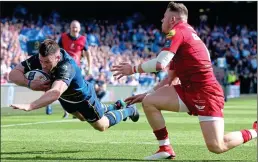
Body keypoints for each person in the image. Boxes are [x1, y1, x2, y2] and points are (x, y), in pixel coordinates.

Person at [111, 2, 257, 160]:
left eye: (164, 17)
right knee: (149, 101)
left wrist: (132, 69)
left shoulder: (178, 32)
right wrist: (146, 94)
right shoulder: (186, 35)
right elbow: (170, 78)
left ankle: (255, 131)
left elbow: (160, 64)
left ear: (172, 19)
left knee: (217, 146)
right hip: (188, 90)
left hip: (206, 93)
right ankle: (165, 148)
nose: (161, 20)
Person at [9, 39, 139, 132]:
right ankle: (114, 106)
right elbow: (13, 74)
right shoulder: (41, 58)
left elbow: (55, 92)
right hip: (66, 99)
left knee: (101, 126)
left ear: (58, 58)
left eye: (47, 62)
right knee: (82, 118)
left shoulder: (67, 66)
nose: (43, 66)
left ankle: (130, 110)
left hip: (83, 97)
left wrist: (30, 105)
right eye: (41, 61)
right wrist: (29, 83)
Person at [58, 20, 92, 118]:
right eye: (73, 27)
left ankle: (77, 110)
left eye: (76, 27)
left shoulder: (83, 39)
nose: (75, 29)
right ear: (70, 28)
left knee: (77, 91)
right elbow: (57, 50)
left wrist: (89, 68)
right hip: (64, 67)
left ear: (79, 29)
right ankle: (67, 111)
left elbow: (88, 54)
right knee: (63, 90)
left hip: (77, 69)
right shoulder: (63, 37)